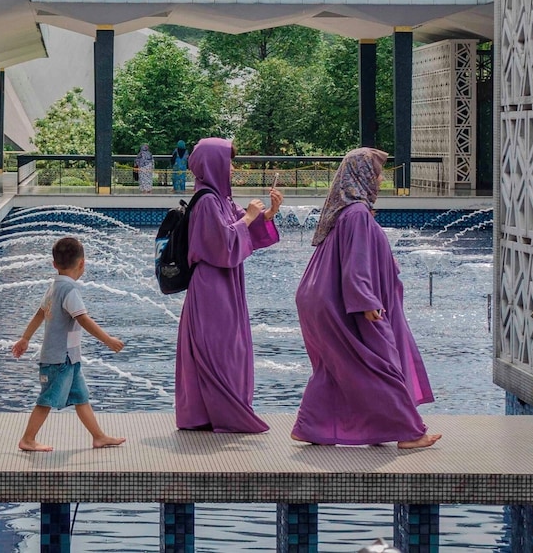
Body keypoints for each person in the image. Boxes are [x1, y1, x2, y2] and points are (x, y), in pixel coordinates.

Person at [291, 148, 441, 449]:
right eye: (376, 172)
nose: (381, 178)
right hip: (348, 304)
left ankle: (311, 426)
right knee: (380, 363)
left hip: (323, 299)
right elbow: (356, 265)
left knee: (336, 367)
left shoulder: (346, 211)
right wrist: (367, 302)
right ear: (361, 176)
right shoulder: (357, 214)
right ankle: (409, 432)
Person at [175, 137, 284, 433]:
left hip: (225, 283)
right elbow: (221, 245)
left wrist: (267, 213)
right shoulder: (208, 201)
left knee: (228, 347)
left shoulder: (220, 199)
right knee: (219, 348)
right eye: (229, 161)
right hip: (212, 286)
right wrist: (248, 216)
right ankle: (221, 413)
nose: (232, 168)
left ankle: (213, 411)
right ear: (214, 163)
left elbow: (244, 228)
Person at [11, 237, 127, 452]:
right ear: (82, 263)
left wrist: (25, 338)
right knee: (46, 399)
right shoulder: (70, 291)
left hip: (69, 358)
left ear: (54, 264)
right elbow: (83, 319)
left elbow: (40, 313)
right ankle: (28, 439)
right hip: (59, 359)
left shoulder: (54, 287)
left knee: (81, 398)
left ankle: (99, 437)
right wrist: (108, 340)